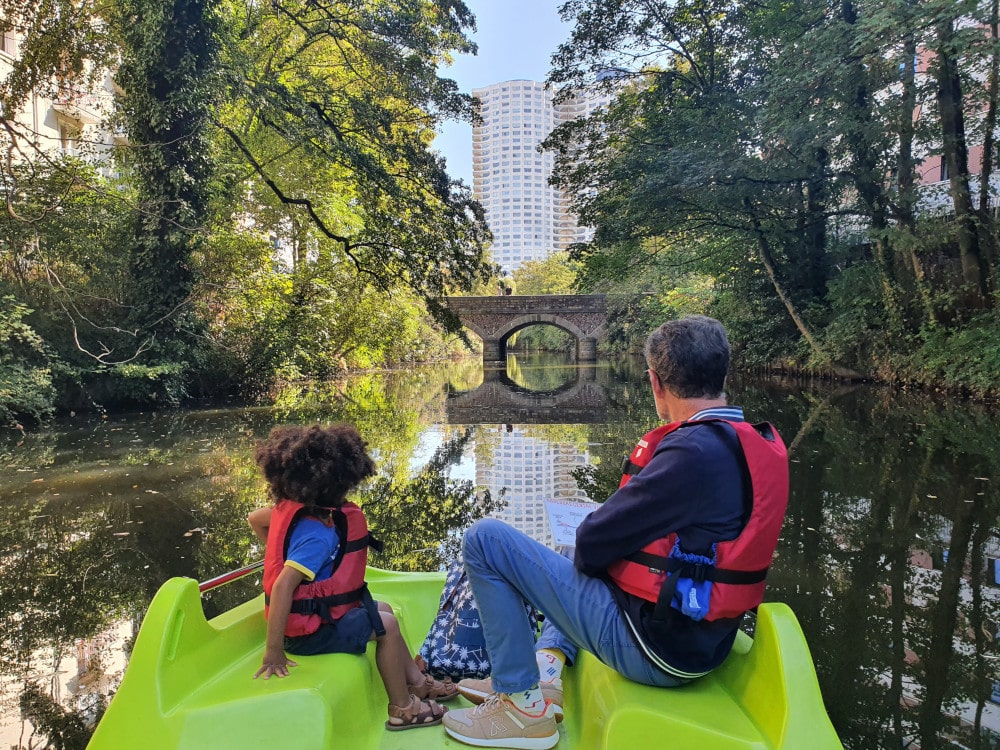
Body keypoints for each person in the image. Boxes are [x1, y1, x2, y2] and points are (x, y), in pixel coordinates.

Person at [442, 315, 790, 749]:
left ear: (655, 383)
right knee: (572, 546)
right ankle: (546, 670)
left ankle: (522, 709)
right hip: (703, 643)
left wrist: (602, 536)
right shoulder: (741, 440)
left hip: (655, 650)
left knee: (485, 539)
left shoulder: (691, 452)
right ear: (722, 374)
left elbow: (592, 548)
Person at [249, 423, 458, 732]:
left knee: (383, 610)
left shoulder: (291, 513)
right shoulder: (317, 538)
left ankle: (417, 683)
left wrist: (278, 552)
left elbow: (256, 519)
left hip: (316, 620)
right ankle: (403, 709)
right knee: (384, 624)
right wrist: (273, 651)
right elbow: (282, 587)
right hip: (307, 636)